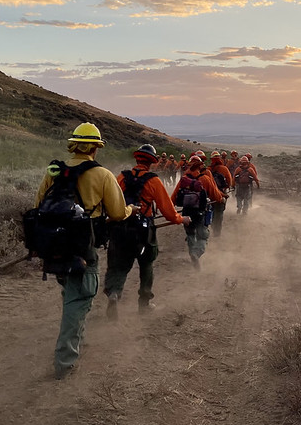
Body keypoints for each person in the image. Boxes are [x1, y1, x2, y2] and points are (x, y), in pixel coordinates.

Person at [34, 122, 136, 380]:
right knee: (80, 298)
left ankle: (74, 343)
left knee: (71, 292)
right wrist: (130, 210)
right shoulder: (102, 175)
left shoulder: (55, 171)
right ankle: (64, 362)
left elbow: (38, 205)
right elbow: (116, 213)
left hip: (55, 245)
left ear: (73, 144)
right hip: (83, 247)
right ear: (95, 147)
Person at [105, 144, 190, 318]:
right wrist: (181, 219)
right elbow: (168, 212)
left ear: (136, 159)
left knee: (119, 266)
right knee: (147, 264)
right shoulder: (154, 181)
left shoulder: (121, 177)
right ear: (152, 162)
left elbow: (109, 202)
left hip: (120, 227)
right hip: (144, 231)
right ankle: (144, 303)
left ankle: (114, 294)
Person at [172, 153, 224, 270]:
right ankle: (196, 253)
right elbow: (216, 195)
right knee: (203, 236)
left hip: (186, 213)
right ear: (200, 166)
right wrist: (221, 199)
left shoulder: (183, 180)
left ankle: (192, 253)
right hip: (201, 213)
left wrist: (170, 211)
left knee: (190, 234)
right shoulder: (205, 178)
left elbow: (174, 198)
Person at [209, 150, 232, 237]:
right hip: (222, 193)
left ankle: (212, 225)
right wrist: (227, 188)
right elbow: (229, 181)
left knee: (211, 210)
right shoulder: (224, 168)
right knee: (219, 212)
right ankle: (217, 232)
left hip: (210, 194)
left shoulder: (208, 169)